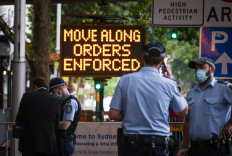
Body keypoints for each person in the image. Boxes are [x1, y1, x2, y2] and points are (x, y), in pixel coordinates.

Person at [109, 41, 188, 156]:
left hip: (131, 146)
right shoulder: (168, 84)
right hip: (158, 146)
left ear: (142, 58)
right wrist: (171, 81)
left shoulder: (125, 80)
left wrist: (131, 114)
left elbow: (113, 114)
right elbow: (183, 111)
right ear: (162, 61)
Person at [177, 57, 232, 156]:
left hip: (216, 148)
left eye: (202, 67)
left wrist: (228, 125)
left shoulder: (224, 88)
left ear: (212, 69)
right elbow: (187, 121)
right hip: (194, 149)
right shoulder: (191, 93)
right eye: (196, 68)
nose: (198, 71)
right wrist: (185, 146)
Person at [15, 77, 60, 156]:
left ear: (35, 86)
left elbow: (19, 121)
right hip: (48, 144)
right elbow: (56, 124)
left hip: (29, 143)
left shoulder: (27, 96)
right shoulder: (55, 99)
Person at [49, 77, 81, 156]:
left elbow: (65, 125)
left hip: (64, 142)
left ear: (59, 87)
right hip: (61, 141)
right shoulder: (63, 101)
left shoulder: (70, 103)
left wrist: (48, 124)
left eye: (53, 91)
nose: (53, 94)